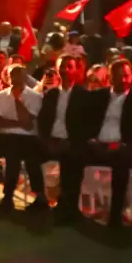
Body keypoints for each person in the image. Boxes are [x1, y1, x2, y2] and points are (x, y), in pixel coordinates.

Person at [82, 59, 132, 233]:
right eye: (119, 76)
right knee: (72, 155)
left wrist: (121, 145)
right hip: (98, 145)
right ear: (110, 78)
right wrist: (91, 140)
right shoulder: (98, 96)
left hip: (123, 147)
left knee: (121, 162)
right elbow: (86, 123)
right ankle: (71, 208)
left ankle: (115, 215)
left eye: (126, 76)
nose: (124, 80)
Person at [38, 56, 95, 223]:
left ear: (76, 70)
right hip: (52, 141)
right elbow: (43, 120)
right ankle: (42, 201)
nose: (65, 70)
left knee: (72, 159)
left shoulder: (83, 95)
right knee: (29, 153)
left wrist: (70, 141)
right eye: (62, 67)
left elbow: (86, 125)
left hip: (73, 142)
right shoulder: (51, 94)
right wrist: (48, 141)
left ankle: (69, 208)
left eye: (69, 67)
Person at [0, 64, 46, 212]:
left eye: (18, 75)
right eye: (12, 75)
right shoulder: (1, 95)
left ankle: (36, 196)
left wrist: (17, 99)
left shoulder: (35, 96)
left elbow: (28, 122)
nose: (15, 78)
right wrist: (18, 123)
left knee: (23, 155)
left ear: (25, 76)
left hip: (28, 138)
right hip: (5, 136)